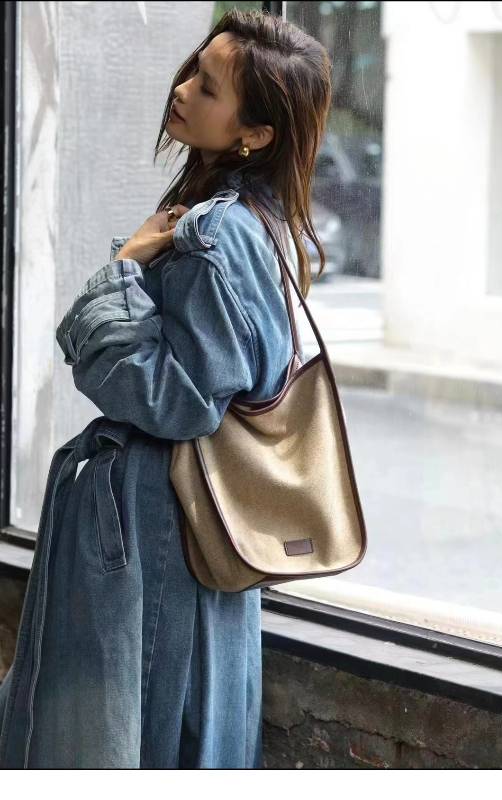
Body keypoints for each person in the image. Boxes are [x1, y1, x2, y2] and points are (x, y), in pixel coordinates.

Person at [0, 8, 332, 768]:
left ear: (255, 135)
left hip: (161, 533)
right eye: (193, 70)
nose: (181, 90)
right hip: (190, 528)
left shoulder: (219, 234)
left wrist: (124, 269)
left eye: (208, 88)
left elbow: (179, 401)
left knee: (139, 736)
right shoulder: (259, 222)